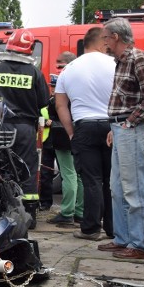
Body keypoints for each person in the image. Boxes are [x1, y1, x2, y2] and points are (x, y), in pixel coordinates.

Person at [100, 17, 144, 259]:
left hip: (131, 129)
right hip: (122, 129)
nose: (104, 42)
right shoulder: (121, 61)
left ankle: (140, 245)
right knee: (118, 188)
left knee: (134, 189)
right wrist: (116, 126)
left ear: (115, 37)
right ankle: (124, 239)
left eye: (106, 37)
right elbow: (127, 99)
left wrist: (128, 122)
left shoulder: (137, 58)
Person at [0, 28, 49, 228]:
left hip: (2, 127)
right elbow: (43, 103)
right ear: (29, 50)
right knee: (27, 169)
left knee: (0, 167)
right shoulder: (35, 73)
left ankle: (3, 213)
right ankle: (28, 217)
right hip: (25, 128)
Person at [56, 29, 115, 241]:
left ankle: (90, 229)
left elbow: (61, 104)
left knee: (91, 180)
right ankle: (112, 228)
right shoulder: (114, 64)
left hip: (84, 125)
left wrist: (71, 132)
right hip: (112, 127)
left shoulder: (69, 69)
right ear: (101, 43)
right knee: (111, 180)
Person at [47, 53, 85, 225]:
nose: (59, 69)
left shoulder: (63, 84)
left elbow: (57, 108)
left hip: (63, 136)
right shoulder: (81, 83)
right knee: (78, 175)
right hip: (80, 133)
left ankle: (67, 212)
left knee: (68, 174)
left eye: (60, 65)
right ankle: (80, 211)